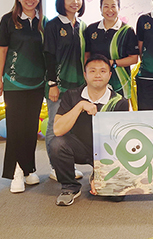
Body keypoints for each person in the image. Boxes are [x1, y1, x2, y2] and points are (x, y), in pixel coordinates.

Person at [50, 54, 129, 206]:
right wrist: (79, 106)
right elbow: (58, 130)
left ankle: (96, 174)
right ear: (85, 75)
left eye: (102, 71)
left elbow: (120, 141)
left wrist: (101, 173)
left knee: (116, 197)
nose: (98, 75)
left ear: (109, 75)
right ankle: (70, 187)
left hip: (107, 152)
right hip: (79, 147)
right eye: (92, 71)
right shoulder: (72, 95)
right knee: (57, 144)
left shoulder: (119, 102)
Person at [0, 0, 47, 193]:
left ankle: (28, 169)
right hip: (14, 83)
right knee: (15, 128)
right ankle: (15, 172)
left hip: (37, 83)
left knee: (30, 128)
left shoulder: (44, 22)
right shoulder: (8, 20)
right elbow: (2, 52)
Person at [44, 0, 87, 181]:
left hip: (78, 86)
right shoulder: (53, 25)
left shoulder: (82, 25)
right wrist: (52, 83)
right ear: (62, 0)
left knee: (73, 126)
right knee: (55, 125)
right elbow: (48, 56)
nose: (74, 2)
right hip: (58, 86)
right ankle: (56, 167)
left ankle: (67, 164)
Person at [85, 0, 139, 107]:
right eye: (106, 6)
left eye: (113, 6)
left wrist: (113, 63)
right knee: (96, 115)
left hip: (120, 82)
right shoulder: (91, 29)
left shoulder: (127, 31)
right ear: (100, 9)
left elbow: (134, 59)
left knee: (119, 116)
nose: (110, 10)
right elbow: (87, 55)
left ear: (119, 9)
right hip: (97, 81)